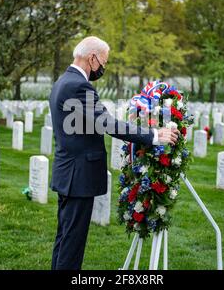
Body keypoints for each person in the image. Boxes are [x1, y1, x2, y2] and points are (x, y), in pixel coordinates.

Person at [49, 36, 179, 270]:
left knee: (65, 237)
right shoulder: (79, 86)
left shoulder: (62, 82)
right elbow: (107, 124)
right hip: (78, 176)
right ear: (92, 58)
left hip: (67, 173)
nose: (103, 68)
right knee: (72, 243)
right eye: (103, 62)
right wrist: (153, 135)